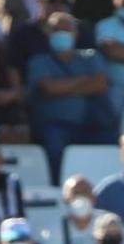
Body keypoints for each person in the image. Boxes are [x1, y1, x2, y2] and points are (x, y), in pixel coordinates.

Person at [26, 11, 113, 178]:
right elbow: (49, 88)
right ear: (47, 33)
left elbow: (100, 84)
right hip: (55, 126)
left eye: (66, 29)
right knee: (54, 144)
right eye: (56, 30)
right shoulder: (38, 62)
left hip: (93, 124)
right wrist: (83, 80)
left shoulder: (91, 57)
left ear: (76, 33)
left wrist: (64, 87)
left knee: (111, 143)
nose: (62, 33)